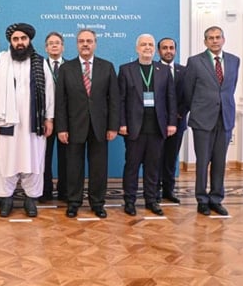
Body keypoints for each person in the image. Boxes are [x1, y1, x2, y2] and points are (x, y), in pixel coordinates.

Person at [0, 23, 54, 218]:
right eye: (15, 39)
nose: (19, 43)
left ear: (29, 40)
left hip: (33, 123)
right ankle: (6, 200)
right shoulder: (1, 61)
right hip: (6, 124)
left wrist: (49, 118)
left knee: (34, 160)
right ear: (10, 42)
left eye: (23, 39)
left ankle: (31, 199)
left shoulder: (40, 62)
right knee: (5, 161)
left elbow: (49, 93)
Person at [55, 29, 119, 219]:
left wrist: (113, 126)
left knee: (99, 167)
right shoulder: (66, 68)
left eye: (89, 41)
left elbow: (114, 99)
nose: (85, 44)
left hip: (100, 127)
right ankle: (73, 202)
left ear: (95, 44)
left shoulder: (107, 67)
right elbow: (61, 101)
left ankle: (97, 203)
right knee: (74, 167)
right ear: (76, 44)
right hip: (74, 126)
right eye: (81, 41)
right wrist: (62, 127)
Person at [118, 34, 177, 216]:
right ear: (137, 48)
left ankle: (151, 200)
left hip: (157, 127)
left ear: (155, 49)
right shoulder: (126, 69)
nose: (147, 48)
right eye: (143, 45)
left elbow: (170, 98)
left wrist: (172, 122)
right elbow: (120, 100)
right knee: (132, 166)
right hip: (135, 127)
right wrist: (122, 123)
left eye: (150, 45)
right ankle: (130, 201)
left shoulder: (163, 70)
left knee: (153, 167)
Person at [184, 26, 240, 216]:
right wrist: (197, 109)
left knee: (219, 161)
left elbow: (229, 89)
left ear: (223, 39)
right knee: (202, 162)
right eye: (210, 38)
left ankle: (216, 199)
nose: (214, 41)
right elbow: (187, 91)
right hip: (202, 120)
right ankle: (202, 199)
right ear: (205, 41)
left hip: (225, 119)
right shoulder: (195, 62)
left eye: (218, 37)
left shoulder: (234, 61)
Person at [157, 37, 188, 204]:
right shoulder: (152, 69)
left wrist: (177, 115)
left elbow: (188, 96)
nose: (168, 51)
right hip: (157, 123)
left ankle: (168, 190)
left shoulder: (183, 71)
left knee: (171, 158)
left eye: (171, 48)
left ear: (175, 50)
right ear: (158, 51)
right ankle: (154, 190)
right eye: (164, 48)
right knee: (156, 158)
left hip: (178, 122)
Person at [40, 31, 68, 203]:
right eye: (51, 43)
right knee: (44, 155)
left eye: (57, 42)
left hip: (66, 118)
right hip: (45, 118)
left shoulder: (71, 66)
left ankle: (65, 190)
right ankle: (45, 190)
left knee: (66, 157)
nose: (54, 45)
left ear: (63, 46)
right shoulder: (39, 66)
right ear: (46, 47)